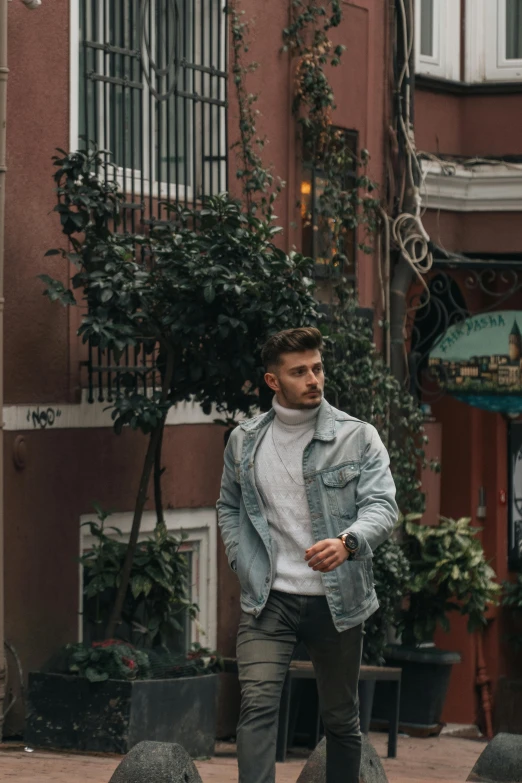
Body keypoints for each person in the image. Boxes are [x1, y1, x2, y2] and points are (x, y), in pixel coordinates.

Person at [217, 326, 398, 783]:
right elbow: (229, 505)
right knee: (256, 706)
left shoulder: (358, 437)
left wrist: (348, 543)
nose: (314, 378)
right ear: (273, 381)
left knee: (340, 718)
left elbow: (383, 506)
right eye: (299, 372)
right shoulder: (244, 441)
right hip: (269, 598)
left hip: (336, 602)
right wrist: (242, 559)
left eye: (317, 367)